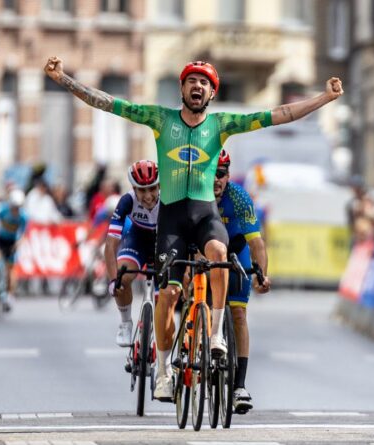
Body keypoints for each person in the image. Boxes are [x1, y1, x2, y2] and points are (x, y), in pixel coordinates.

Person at [45, 56, 343, 401]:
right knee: (168, 294)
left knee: (218, 255)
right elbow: (110, 104)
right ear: (182, 88)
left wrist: (324, 99)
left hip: (204, 215)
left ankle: (215, 335)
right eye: (192, 81)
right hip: (172, 219)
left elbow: (279, 115)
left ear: (212, 93)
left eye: (205, 83)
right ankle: (162, 372)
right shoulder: (161, 119)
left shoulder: (222, 123)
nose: (198, 87)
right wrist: (64, 78)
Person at [213, 149, 270, 414]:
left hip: (236, 252)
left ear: (228, 174)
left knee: (238, 314)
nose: (216, 180)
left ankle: (239, 386)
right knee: (195, 296)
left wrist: (262, 275)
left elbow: (256, 243)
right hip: (205, 251)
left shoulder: (238, 196)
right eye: (211, 173)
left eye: (221, 174)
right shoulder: (196, 194)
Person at [105, 160, 160, 347]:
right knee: (122, 276)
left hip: (163, 242)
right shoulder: (127, 201)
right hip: (138, 239)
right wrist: (114, 281)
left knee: (166, 299)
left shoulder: (169, 199)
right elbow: (110, 245)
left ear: (159, 185)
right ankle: (125, 323)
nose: (148, 196)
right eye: (141, 190)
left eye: (152, 189)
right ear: (133, 189)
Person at [0, 189, 28, 307]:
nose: (16, 210)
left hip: (11, 242)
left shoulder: (23, 217)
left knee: (11, 269)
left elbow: (23, 234)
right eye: (14, 207)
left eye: (18, 208)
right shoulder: (3, 210)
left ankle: (9, 293)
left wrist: (18, 244)